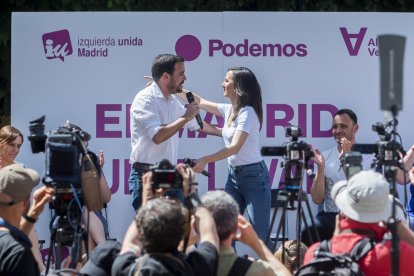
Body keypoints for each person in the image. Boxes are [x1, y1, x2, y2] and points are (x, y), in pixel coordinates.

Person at [177, 67, 271, 243]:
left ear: (238, 87)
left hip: (254, 177)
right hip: (234, 176)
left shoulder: (248, 113)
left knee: (260, 236)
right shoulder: (230, 109)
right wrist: (175, 89)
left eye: (227, 80)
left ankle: (279, 269)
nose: (222, 84)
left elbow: (234, 147)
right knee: (223, 231)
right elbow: (200, 101)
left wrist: (205, 160)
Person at [129, 53, 220, 211]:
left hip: (170, 176)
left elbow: (198, 125)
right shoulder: (145, 99)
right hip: (147, 177)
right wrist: (185, 117)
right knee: (152, 231)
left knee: (178, 231)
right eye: (181, 74)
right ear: (166, 76)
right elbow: (157, 136)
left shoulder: (172, 101)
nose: (185, 78)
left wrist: (225, 133)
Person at [112, 163, 219, 276]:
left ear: (145, 234)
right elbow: (209, 234)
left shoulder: (127, 269)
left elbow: (131, 244)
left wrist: (146, 200)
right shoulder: (196, 267)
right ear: (182, 233)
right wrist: (191, 191)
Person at [303, 170, 414, 275]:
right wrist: (399, 225)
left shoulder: (315, 253)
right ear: (385, 211)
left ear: (344, 210)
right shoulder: (396, 255)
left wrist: (336, 238)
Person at [304, 109, 372, 245]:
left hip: (360, 216)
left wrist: (346, 159)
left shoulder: (369, 157)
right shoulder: (325, 156)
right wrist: (321, 168)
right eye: (335, 127)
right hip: (331, 217)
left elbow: (361, 195)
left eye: (343, 126)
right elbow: (317, 199)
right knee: (309, 230)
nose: (338, 130)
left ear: (355, 128)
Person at [201, 190, 291, 276]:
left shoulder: (190, 265)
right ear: (236, 228)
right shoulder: (258, 271)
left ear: (197, 227)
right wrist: (257, 244)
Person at [0, 125, 47, 272]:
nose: (15, 150)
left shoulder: (21, 169)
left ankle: (40, 265)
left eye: (19, 146)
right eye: (11, 145)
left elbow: (22, 208)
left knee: (24, 220)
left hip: (16, 222)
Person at [0, 164, 53, 275]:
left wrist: (33, 214)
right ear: (26, 201)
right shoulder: (18, 254)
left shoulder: (10, 246)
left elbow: (11, 239)